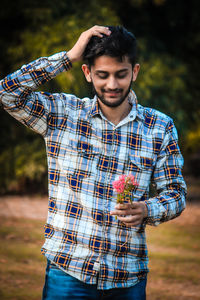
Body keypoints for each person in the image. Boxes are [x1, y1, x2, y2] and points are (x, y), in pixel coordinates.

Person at [0, 25, 186, 299]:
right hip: (67, 272)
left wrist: (148, 208)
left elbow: (176, 193)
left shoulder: (160, 127)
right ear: (88, 73)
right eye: (103, 75)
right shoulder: (62, 114)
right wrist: (69, 57)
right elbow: (7, 93)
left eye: (121, 74)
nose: (112, 84)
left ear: (134, 71)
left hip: (127, 276)